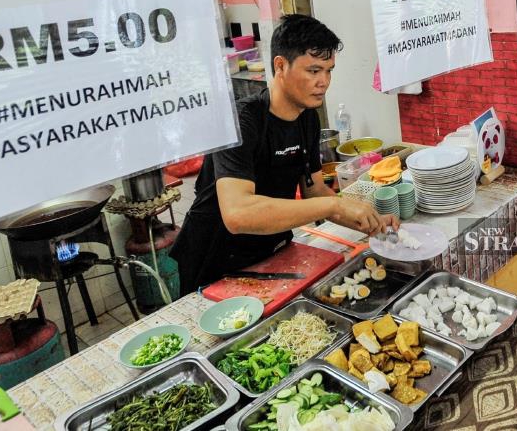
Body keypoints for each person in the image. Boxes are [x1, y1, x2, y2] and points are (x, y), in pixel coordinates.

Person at [170, 15, 399, 294]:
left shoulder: (307, 119)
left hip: (268, 255)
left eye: (328, 70)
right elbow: (238, 213)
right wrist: (336, 206)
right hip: (213, 264)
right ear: (280, 65)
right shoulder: (241, 121)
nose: (324, 82)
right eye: (313, 71)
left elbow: (314, 191)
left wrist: (367, 220)